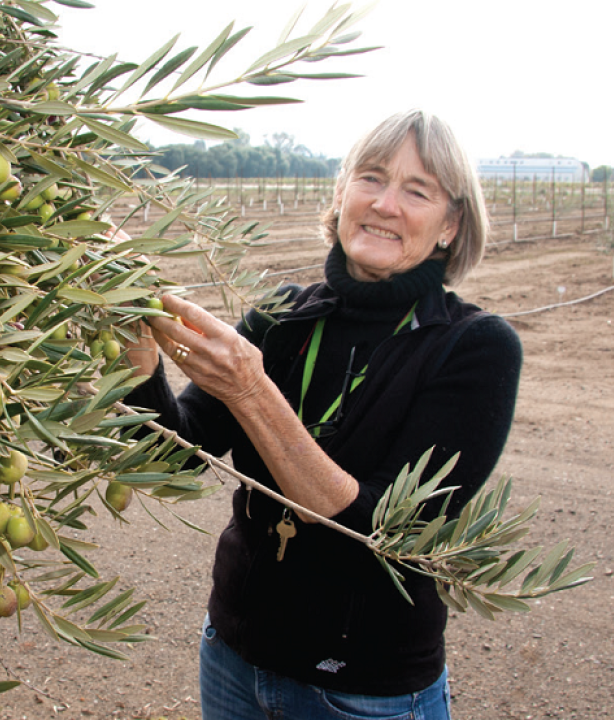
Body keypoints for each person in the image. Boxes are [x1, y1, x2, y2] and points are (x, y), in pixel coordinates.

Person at [122, 109, 522, 719]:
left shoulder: (474, 348)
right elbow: (170, 459)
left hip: (363, 692)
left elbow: (387, 536)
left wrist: (251, 392)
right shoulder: (284, 316)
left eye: (418, 190)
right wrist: (136, 355)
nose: (386, 204)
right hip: (233, 661)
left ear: (451, 225)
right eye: (371, 177)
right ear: (341, 196)